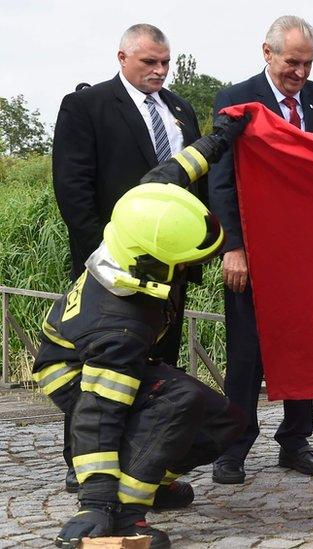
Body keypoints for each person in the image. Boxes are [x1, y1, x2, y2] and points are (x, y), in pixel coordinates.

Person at [35, 116, 250, 549]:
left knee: (226, 421)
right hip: (74, 371)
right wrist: (93, 502)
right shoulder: (121, 325)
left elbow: (177, 170)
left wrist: (222, 137)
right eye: (186, 263)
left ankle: (149, 483)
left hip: (101, 351)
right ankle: (125, 512)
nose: (192, 268)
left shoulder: (143, 210)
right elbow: (98, 415)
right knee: (176, 400)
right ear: (154, 265)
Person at [52, 23, 203, 493]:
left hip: (169, 271)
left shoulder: (181, 110)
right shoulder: (87, 106)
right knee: (102, 373)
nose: (159, 71)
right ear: (122, 57)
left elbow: (193, 184)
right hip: (110, 271)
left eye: (165, 62)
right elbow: (73, 189)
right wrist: (107, 255)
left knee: (157, 368)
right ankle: (89, 470)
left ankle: (142, 468)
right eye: (149, 63)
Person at [209, 15, 313, 484]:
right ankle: (234, 447)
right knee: (246, 352)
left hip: (307, 255)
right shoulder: (235, 100)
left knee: (302, 346)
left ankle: (295, 440)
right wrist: (234, 247)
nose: (301, 73)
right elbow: (222, 179)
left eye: (308, 63)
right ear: (267, 54)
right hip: (252, 252)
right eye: (293, 62)